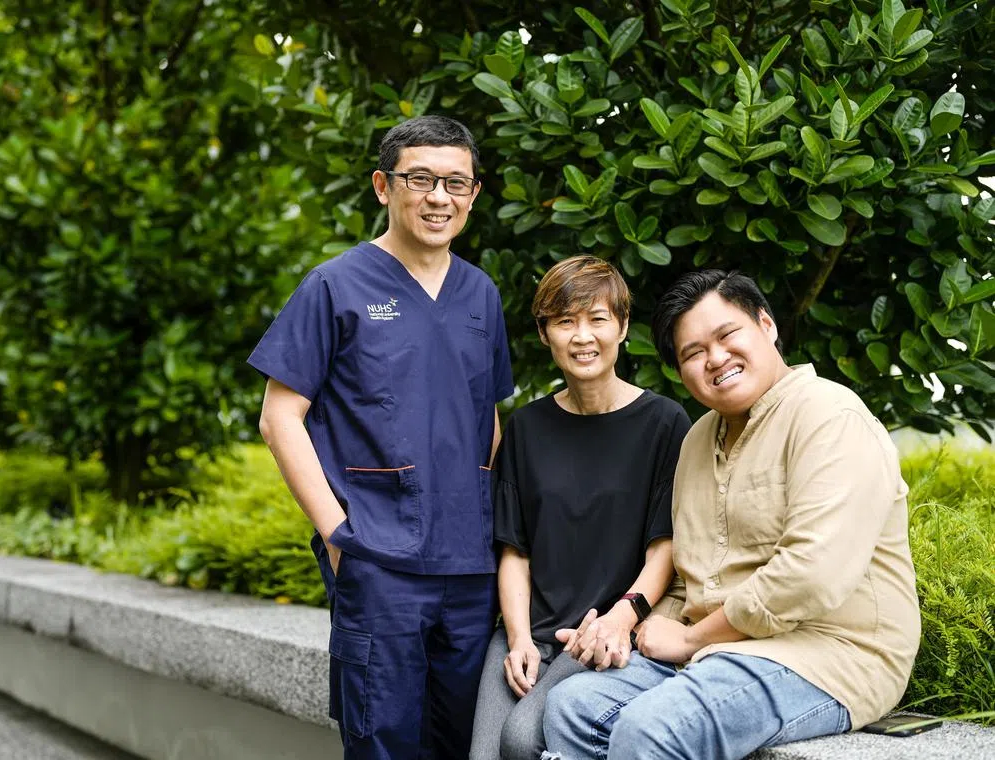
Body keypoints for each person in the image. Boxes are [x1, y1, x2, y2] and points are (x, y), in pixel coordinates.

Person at [541, 270, 920, 760]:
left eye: (727, 336)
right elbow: (688, 577)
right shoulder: (699, 439)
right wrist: (631, 630)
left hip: (828, 653)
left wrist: (692, 637)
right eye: (693, 353)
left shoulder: (830, 417)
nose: (715, 359)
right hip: (717, 654)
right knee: (572, 707)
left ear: (766, 324)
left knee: (651, 730)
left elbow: (810, 576)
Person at [249, 115, 513, 760]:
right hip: (380, 561)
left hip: (470, 566)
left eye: (456, 183)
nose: (438, 197)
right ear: (382, 186)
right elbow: (279, 417)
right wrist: (339, 533)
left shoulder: (481, 294)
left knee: (461, 744)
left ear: (474, 195)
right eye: (419, 179)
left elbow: (490, 418)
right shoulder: (334, 286)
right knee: (383, 744)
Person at [469, 256, 690, 760]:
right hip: (528, 627)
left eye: (597, 319)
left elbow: (665, 549)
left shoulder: (664, 424)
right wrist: (519, 638)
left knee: (522, 740)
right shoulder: (525, 429)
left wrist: (622, 617)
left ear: (623, 326)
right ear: (546, 335)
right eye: (565, 321)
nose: (582, 336)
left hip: (602, 631)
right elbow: (514, 551)